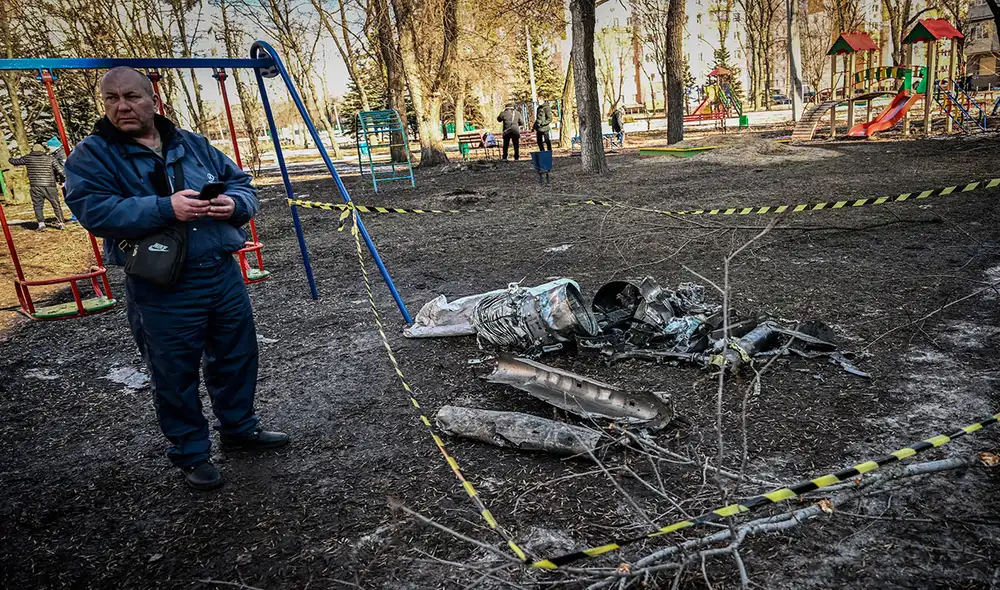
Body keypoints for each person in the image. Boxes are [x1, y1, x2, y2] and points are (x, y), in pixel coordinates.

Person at [64, 67, 288, 491]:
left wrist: (233, 205)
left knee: (237, 357)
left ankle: (240, 428)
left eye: (131, 96)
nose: (122, 106)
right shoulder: (92, 155)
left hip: (220, 273)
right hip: (162, 285)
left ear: (153, 100)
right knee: (173, 373)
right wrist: (165, 208)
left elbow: (242, 185)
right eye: (111, 99)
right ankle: (192, 453)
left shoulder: (191, 143)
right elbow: (94, 211)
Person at [8, 143, 67, 231]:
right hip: (49, 185)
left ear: (33, 150)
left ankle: (41, 224)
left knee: (38, 205)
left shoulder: (28, 158)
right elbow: (61, 170)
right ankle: (61, 223)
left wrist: (9, 157)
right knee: (55, 204)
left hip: (35, 186)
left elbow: (14, 162)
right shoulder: (50, 158)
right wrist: (61, 180)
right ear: (42, 150)